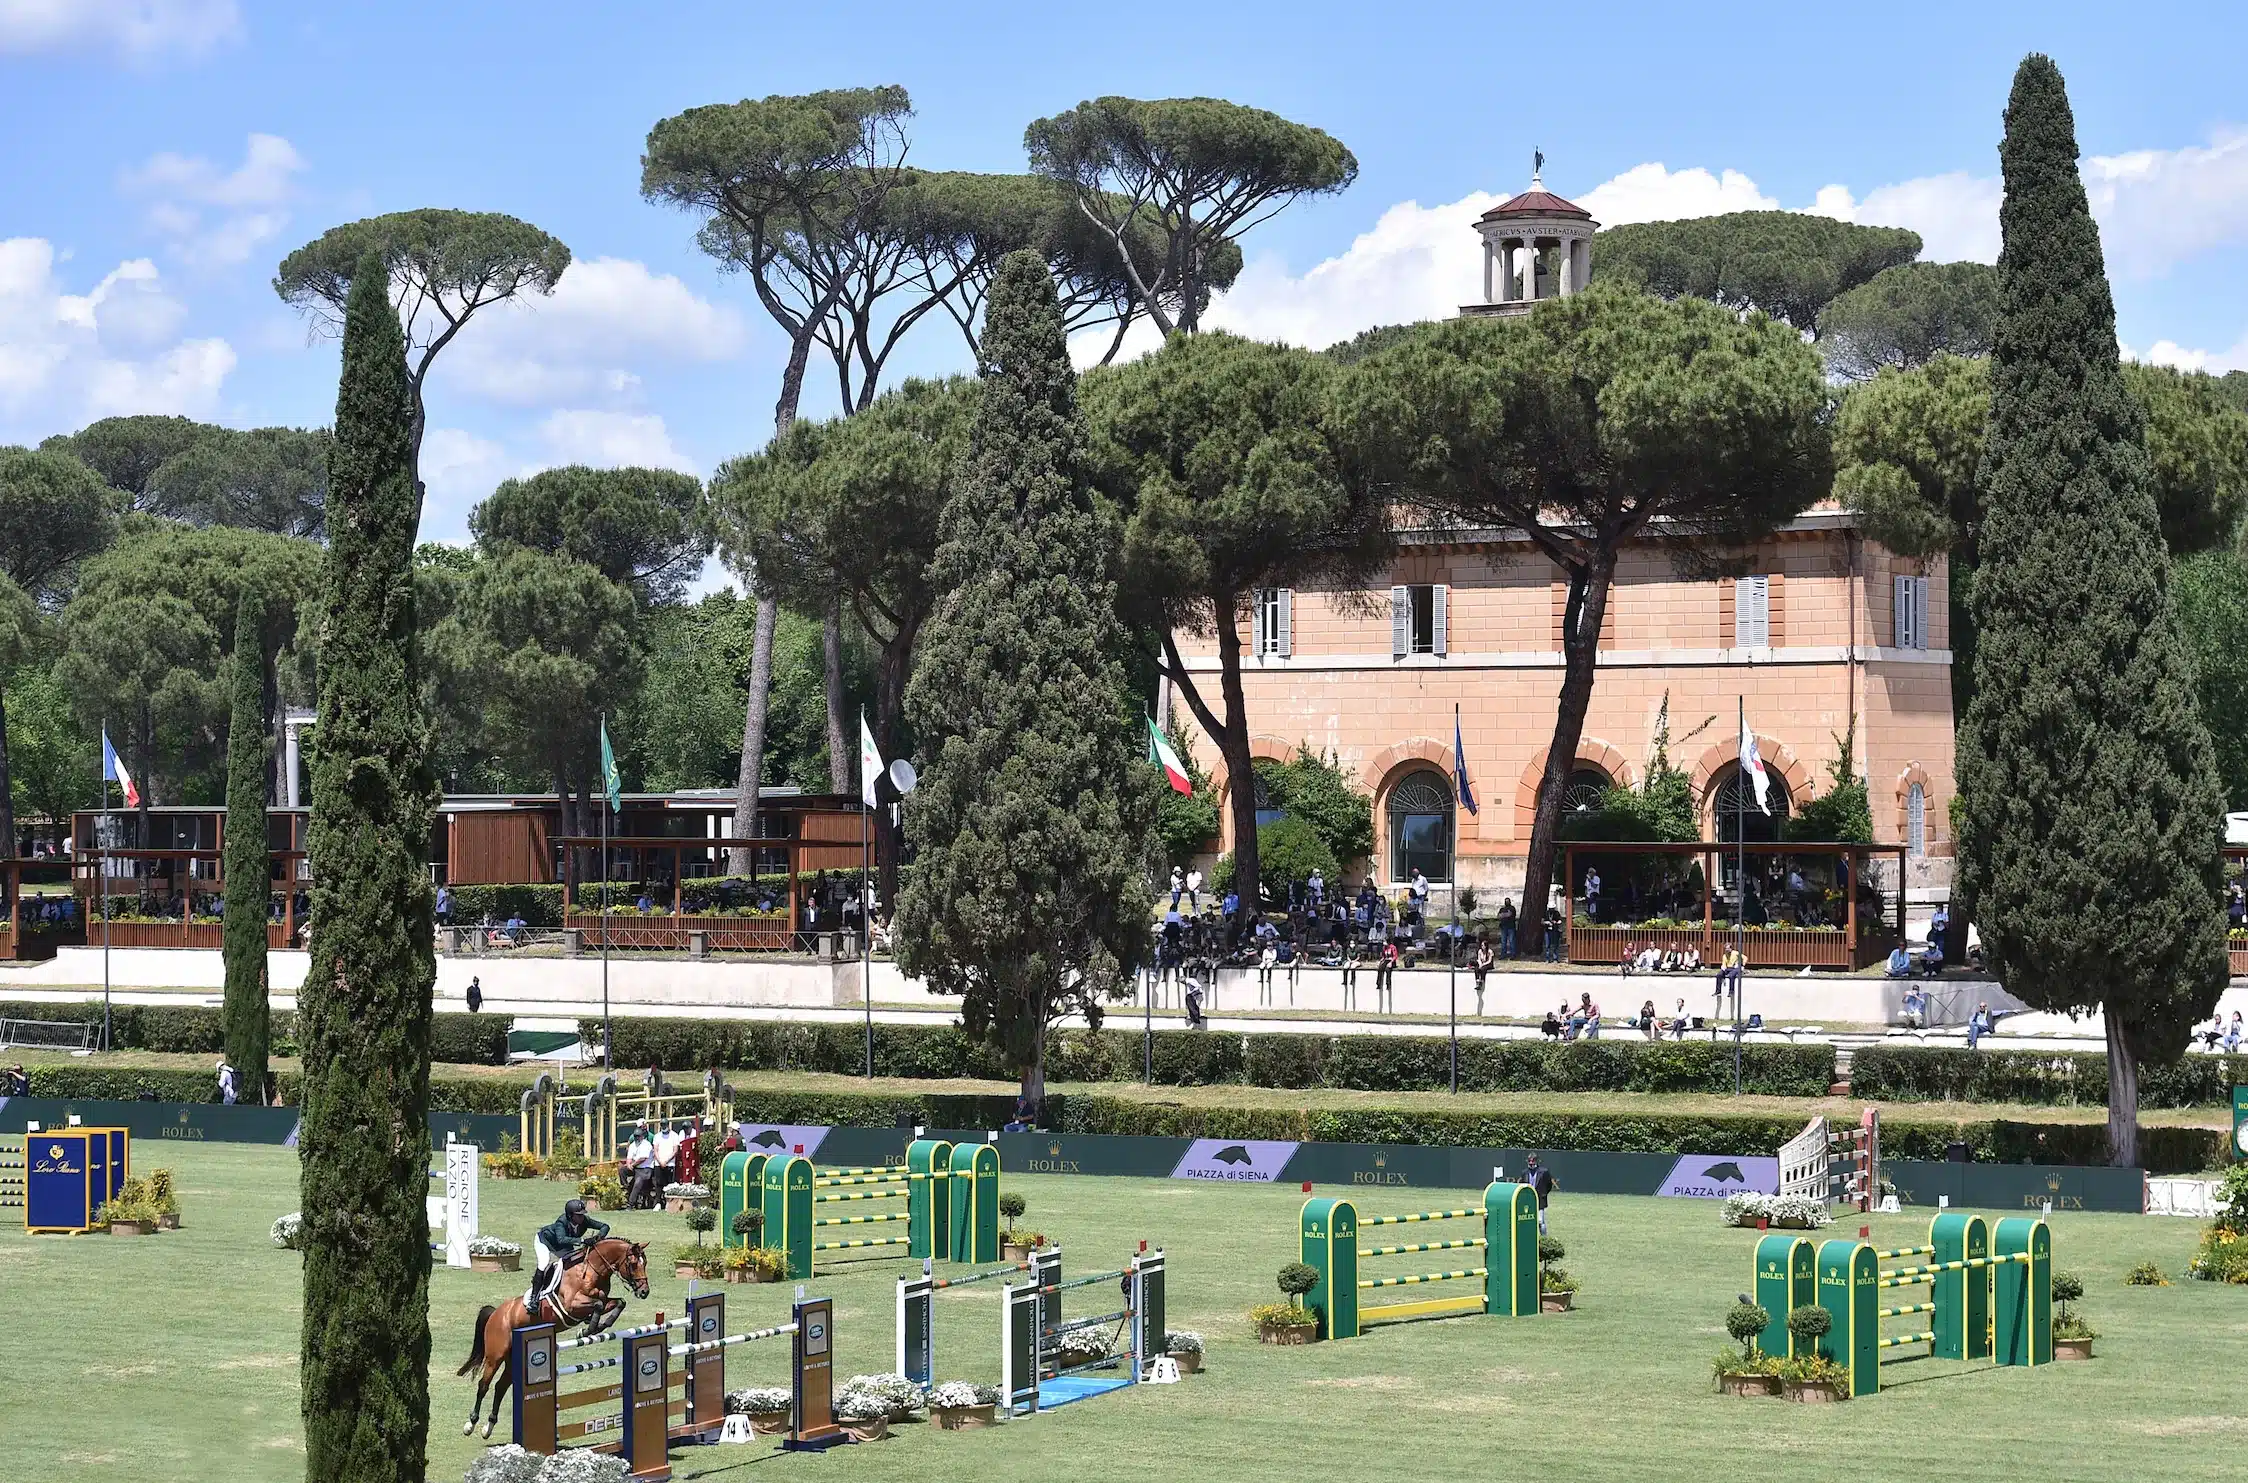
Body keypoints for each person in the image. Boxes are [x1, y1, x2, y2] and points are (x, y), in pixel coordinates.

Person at [528, 1197, 612, 1320]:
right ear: (570, 1215)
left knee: (574, 1264)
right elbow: (561, 1239)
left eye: (582, 1215)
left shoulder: (584, 1221)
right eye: (578, 1215)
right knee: (544, 1263)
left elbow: (605, 1226)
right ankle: (534, 1299)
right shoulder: (561, 1222)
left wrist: (599, 1237)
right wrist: (583, 1240)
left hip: (564, 1246)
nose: (581, 1218)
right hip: (545, 1242)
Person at [623, 1121, 659, 1209]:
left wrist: (633, 1164)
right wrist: (628, 1164)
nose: (636, 1138)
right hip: (635, 1167)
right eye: (635, 1136)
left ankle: (630, 1205)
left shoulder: (646, 1145)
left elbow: (643, 1158)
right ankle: (625, 1186)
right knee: (622, 1170)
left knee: (638, 1182)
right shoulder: (632, 1145)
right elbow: (629, 1157)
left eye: (638, 1136)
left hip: (645, 1169)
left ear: (642, 1137)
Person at [1522, 1153, 1557, 1234]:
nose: (1531, 1163)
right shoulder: (1524, 1172)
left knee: (1540, 1221)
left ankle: (1543, 1239)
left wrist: (1543, 1194)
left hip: (1540, 1199)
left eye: (1533, 1161)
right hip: (1528, 1199)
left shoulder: (1544, 1172)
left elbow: (1549, 1185)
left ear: (1537, 1161)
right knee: (1528, 1220)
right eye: (1529, 1161)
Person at [1715, 944, 1745, 1017]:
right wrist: (1723, 968)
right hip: (1728, 968)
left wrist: (1742, 965)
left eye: (1728, 949)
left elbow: (1745, 957)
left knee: (1732, 976)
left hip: (1735, 968)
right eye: (1726, 949)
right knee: (1719, 975)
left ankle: (1731, 991)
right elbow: (1724, 964)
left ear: (1731, 949)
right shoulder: (1724, 955)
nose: (1727, 950)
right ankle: (1718, 991)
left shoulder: (1736, 953)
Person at [1471, 936, 1495, 1016]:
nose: (1482, 947)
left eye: (1483, 945)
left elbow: (1489, 961)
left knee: (1484, 969)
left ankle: (1482, 981)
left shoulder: (1490, 951)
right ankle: (1477, 980)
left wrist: (1483, 964)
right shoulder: (1480, 951)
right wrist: (1480, 964)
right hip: (1482, 963)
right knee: (1477, 969)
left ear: (1486, 946)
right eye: (1481, 945)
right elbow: (1478, 959)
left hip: (1488, 964)